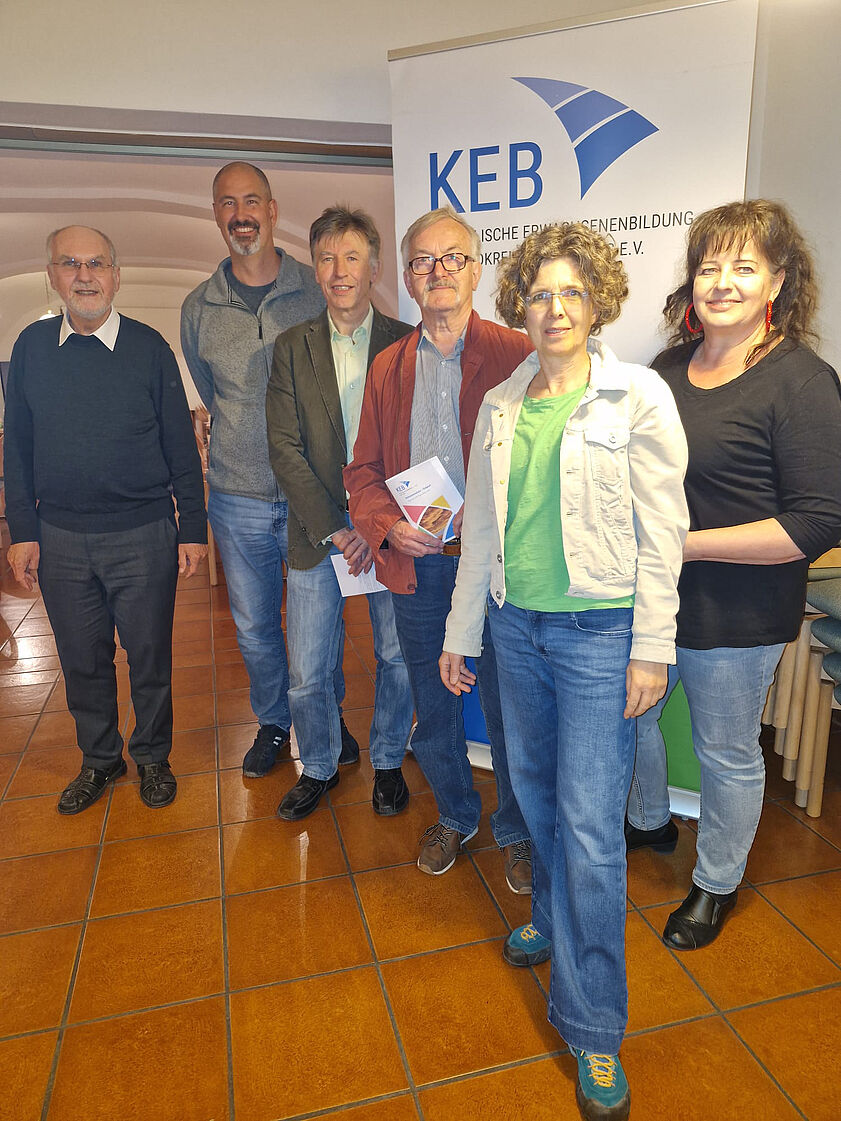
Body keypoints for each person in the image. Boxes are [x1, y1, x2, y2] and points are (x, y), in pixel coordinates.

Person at [440, 223, 688, 1121]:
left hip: (597, 635)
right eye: (539, 293)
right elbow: (481, 531)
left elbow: (663, 530)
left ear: (597, 303)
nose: (553, 309)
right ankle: (549, 916)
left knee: (587, 825)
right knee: (534, 796)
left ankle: (592, 1024)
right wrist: (461, 633)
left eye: (571, 293)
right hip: (515, 629)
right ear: (520, 304)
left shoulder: (637, 395)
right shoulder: (501, 404)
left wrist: (650, 644)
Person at [628, 199, 841, 950]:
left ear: (776, 281)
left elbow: (816, 522)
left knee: (725, 753)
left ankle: (715, 882)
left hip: (737, 610)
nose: (721, 282)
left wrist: (685, 545)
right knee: (631, 718)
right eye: (708, 266)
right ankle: (648, 821)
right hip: (651, 599)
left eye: (743, 267)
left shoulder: (801, 381)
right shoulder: (663, 371)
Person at [345, 206, 534, 890]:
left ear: (477, 269)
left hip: (499, 570)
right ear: (407, 277)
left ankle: (518, 829)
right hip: (421, 568)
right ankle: (455, 812)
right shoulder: (387, 367)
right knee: (434, 704)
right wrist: (386, 526)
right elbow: (362, 471)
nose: (438, 271)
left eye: (453, 257)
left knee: (513, 711)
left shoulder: (519, 354)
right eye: (423, 261)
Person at [4, 225, 207, 813]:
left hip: (143, 534)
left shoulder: (149, 349)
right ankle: (100, 759)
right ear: (53, 276)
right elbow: (17, 447)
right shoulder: (32, 348)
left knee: (150, 657)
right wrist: (22, 533)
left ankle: (153, 756)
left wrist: (192, 528)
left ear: (116, 276)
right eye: (71, 264)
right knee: (81, 660)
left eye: (96, 264)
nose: (84, 275)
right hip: (61, 538)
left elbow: (180, 447)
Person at [181, 162, 357, 778]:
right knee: (256, 627)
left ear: (273, 210)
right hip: (238, 498)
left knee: (322, 625)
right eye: (228, 203)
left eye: (251, 201)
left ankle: (326, 717)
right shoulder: (199, 308)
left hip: (314, 495)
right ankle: (275, 722)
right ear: (216, 215)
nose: (241, 214)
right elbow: (211, 390)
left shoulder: (317, 288)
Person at [266, 206, 414, 820]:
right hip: (318, 534)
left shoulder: (407, 343)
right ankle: (320, 765)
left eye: (351, 257)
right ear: (315, 269)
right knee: (307, 670)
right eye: (326, 259)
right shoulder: (291, 347)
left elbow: (418, 442)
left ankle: (388, 760)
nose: (339, 270)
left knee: (397, 658)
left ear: (374, 268)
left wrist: (377, 524)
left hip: (391, 533)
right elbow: (284, 448)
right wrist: (337, 526)